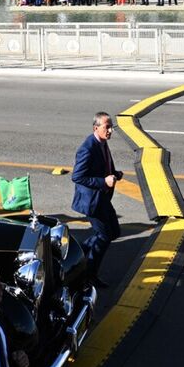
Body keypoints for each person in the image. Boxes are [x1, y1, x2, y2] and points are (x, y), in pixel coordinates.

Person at [71, 112, 124, 287]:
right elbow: (77, 176)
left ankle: (78, 252)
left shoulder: (102, 143)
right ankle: (89, 275)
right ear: (96, 128)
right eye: (106, 127)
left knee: (113, 232)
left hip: (102, 198)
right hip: (92, 201)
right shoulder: (87, 148)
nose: (110, 131)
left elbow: (105, 164)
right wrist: (103, 181)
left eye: (111, 127)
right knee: (104, 236)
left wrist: (114, 174)